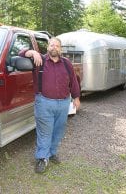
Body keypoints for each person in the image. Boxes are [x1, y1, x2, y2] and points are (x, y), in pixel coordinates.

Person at [19, 37, 81, 173]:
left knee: (58, 131)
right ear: (48, 47)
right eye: (52, 45)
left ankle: (52, 153)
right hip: (44, 102)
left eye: (57, 46)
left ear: (60, 49)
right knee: (44, 132)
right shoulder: (39, 60)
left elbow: (73, 81)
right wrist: (32, 53)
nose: (54, 48)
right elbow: (20, 53)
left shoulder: (66, 63)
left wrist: (76, 97)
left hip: (64, 103)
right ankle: (42, 158)